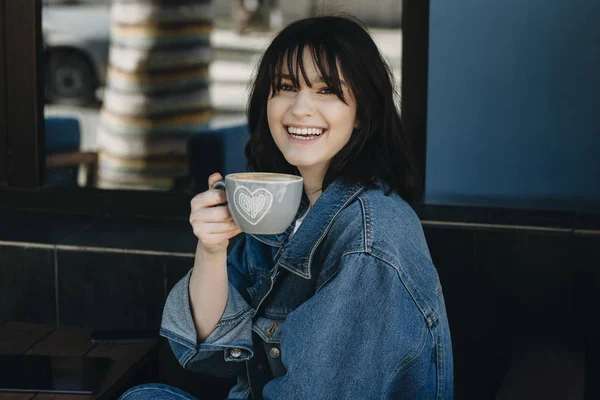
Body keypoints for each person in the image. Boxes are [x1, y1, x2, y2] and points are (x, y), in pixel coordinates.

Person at [119, 15, 453, 400]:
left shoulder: (370, 240)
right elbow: (211, 350)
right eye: (286, 87)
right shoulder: (286, 209)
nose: (299, 108)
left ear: (362, 112)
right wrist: (211, 249)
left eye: (326, 90)